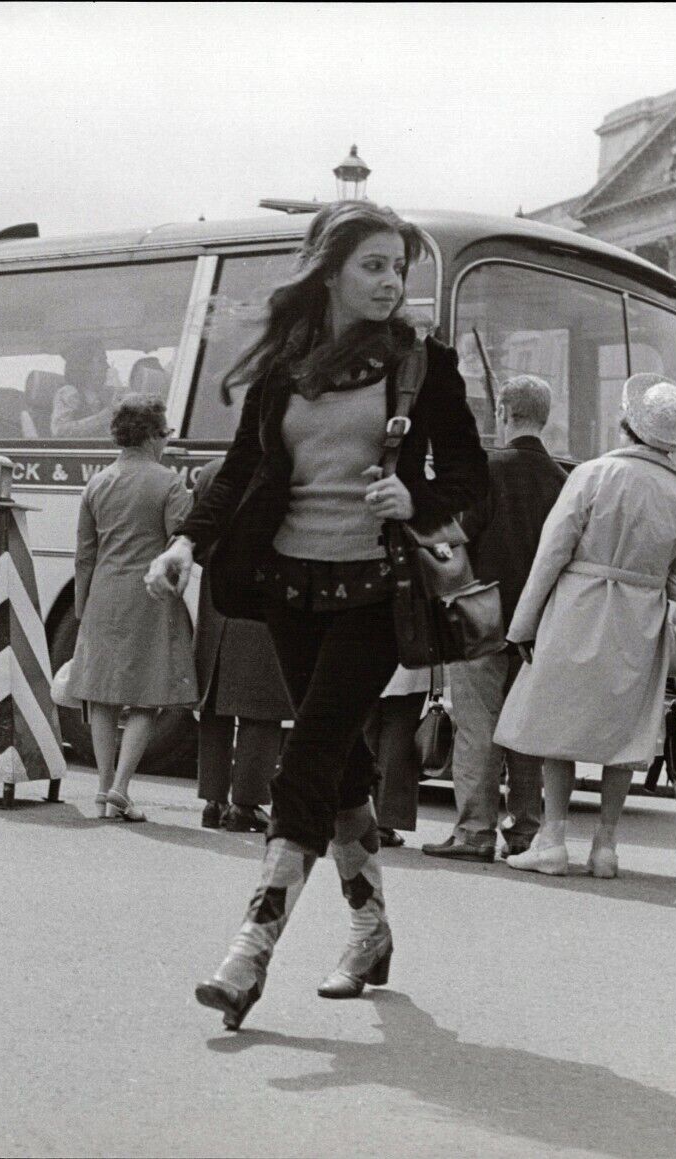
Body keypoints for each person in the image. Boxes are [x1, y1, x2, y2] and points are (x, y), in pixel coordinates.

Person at [145, 201, 486, 1028]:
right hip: (289, 587)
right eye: (373, 266)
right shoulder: (286, 366)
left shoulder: (422, 365)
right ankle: (369, 929)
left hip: (377, 588)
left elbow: (474, 476)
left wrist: (419, 497)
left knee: (308, 757)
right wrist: (187, 544)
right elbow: (240, 471)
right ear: (330, 272)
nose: (390, 282)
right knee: (338, 769)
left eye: (399, 268)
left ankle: (250, 949)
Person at [495, 373, 676, 879]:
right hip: (642, 617)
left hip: (579, 606)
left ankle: (553, 839)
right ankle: (606, 846)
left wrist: (524, 624)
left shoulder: (591, 475)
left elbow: (552, 554)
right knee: (625, 734)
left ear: (626, 425)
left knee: (557, 725)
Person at [421, 374, 567, 863]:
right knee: (527, 729)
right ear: (544, 417)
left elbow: (452, 538)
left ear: (503, 412)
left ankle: (475, 832)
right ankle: (525, 832)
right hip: (539, 623)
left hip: (480, 614)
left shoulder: (485, 469)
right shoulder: (564, 480)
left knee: (477, 725)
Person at [71, 393, 197, 821]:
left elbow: (84, 555)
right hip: (150, 596)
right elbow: (179, 546)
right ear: (152, 435)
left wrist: (81, 607)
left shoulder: (97, 483)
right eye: (164, 434)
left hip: (103, 596)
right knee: (146, 698)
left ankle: (103, 789)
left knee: (102, 697)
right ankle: (123, 786)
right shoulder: (170, 484)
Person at [190, 455, 292, 833]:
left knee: (215, 705)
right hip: (264, 599)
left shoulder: (215, 470)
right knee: (261, 707)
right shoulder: (287, 469)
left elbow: (195, 536)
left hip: (217, 600)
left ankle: (213, 801)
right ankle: (246, 805)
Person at [365, 665, 428, 847]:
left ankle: (354, 815)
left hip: (362, 654)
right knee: (399, 735)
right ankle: (384, 823)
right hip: (409, 659)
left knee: (364, 731)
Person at [51, 342, 119, 438]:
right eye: (101, 361)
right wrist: (102, 417)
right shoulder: (69, 392)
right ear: (84, 366)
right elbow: (60, 431)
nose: (107, 366)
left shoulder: (103, 394)